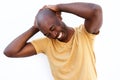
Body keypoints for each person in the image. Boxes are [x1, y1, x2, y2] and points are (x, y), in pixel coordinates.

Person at [4, 2, 102, 80]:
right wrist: (35, 27)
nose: (54, 35)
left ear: (58, 16)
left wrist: (59, 7)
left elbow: (95, 11)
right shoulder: (46, 43)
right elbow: (10, 52)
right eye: (47, 34)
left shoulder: (84, 34)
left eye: (52, 28)